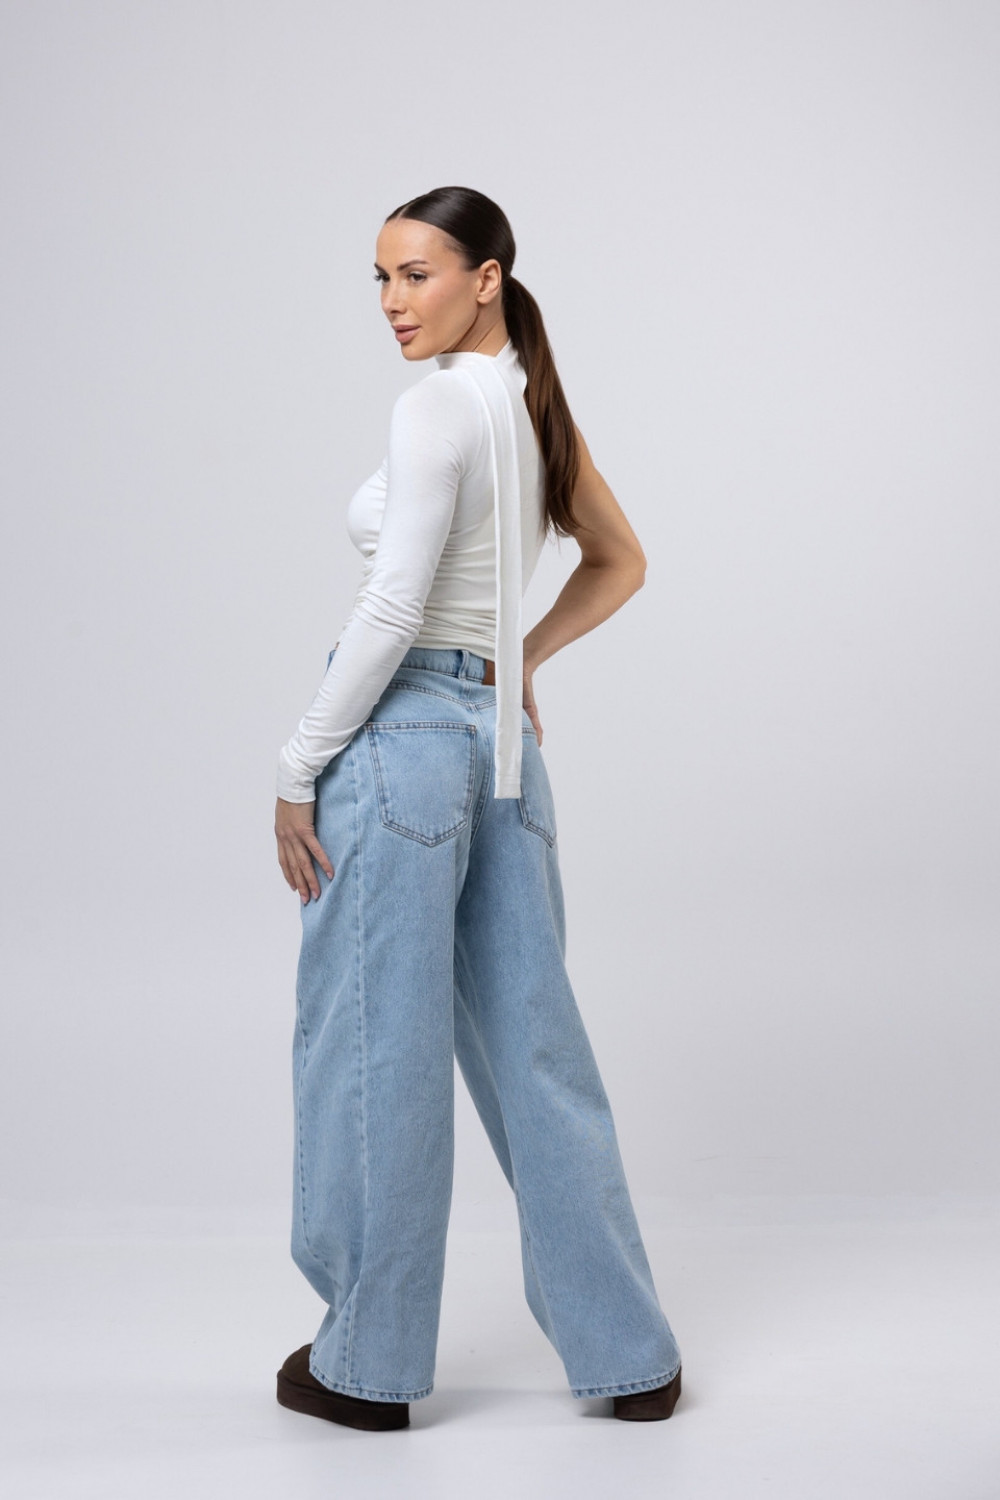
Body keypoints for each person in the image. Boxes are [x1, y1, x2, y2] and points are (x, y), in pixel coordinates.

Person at [272, 186, 682, 1432]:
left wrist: (297, 766)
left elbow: (394, 606)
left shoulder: (438, 405)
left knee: (373, 1052)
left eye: (418, 275)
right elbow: (621, 560)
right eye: (381, 279)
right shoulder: (531, 407)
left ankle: (366, 1368)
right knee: (536, 1053)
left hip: (399, 741)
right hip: (499, 753)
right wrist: (515, 660)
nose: (393, 303)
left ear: (487, 278)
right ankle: (631, 1358)